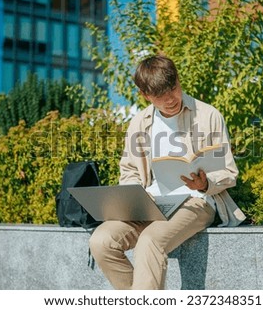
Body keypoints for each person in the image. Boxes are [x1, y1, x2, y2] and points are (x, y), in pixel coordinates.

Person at [89, 55, 245, 290]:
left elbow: (229, 172)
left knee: (149, 242)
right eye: (160, 96)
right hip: (151, 203)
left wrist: (205, 183)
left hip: (197, 202)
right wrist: (136, 196)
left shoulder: (207, 115)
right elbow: (129, 171)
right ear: (146, 96)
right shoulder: (139, 123)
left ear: (178, 81)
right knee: (101, 241)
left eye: (173, 89)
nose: (170, 99)